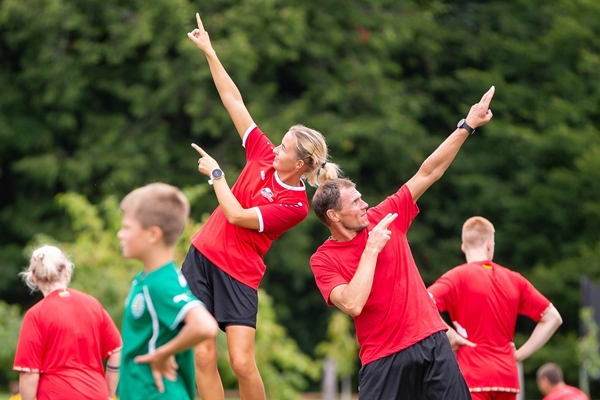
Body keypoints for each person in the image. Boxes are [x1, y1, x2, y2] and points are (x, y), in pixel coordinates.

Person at [183, 12, 341, 400]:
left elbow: (236, 216)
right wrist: (210, 52)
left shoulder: (296, 205)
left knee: (241, 363)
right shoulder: (262, 153)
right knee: (202, 354)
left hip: (239, 275)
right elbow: (232, 99)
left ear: (301, 165)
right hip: (202, 258)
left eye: (285, 148)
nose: (276, 148)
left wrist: (217, 175)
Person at [310, 86, 496, 399]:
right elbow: (353, 303)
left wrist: (468, 125)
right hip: (384, 360)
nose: (365, 205)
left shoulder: (387, 215)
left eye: (361, 198)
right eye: (355, 203)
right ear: (334, 216)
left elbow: (429, 171)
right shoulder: (324, 260)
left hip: (431, 340)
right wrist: (371, 250)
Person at [428, 216, 563, 400]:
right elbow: (553, 318)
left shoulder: (457, 277)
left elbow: (424, 302)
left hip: (472, 376)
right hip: (507, 377)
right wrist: (519, 354)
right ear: (490, 244)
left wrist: (450, 334)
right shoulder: (515, 279)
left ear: (463, 246)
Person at [117, 182, 219, 399]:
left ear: (153, 234)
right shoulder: (146, 280)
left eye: (126, 228)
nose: (119, 234)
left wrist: (163, 354)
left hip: (156, 393)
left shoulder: (161, 283)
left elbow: (205, 326)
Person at [13, 245, 122, 400]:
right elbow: (115, 349)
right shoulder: (93, 304)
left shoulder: (35, 315)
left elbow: (28, 371)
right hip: (96, 393)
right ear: (65, 271)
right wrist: (109, 394)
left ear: (34, 277)